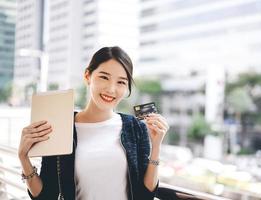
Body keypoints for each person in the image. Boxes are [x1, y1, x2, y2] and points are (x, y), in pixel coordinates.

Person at [18, 46, 169, 200]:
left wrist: (156, 146)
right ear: (88, 76)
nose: (111, 89)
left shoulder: (135, 127)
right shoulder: (62, 125)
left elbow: (146, 194)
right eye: (104, 77)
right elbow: (45, 196)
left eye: (121, 82)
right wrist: (24, 157)